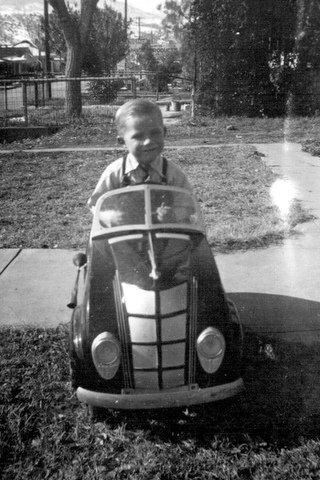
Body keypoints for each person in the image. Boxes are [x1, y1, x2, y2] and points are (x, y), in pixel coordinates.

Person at [87, 98, 193, 218]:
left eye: (155, 133)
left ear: (164, 132)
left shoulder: (172, 173)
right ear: (122, 141)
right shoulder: (115, 173)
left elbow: (188, 204)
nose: (148, 141)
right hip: (124, 234)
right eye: (138, 136)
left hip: (164, 233)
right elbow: (96, 204)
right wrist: (113, 216)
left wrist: (173, 214)